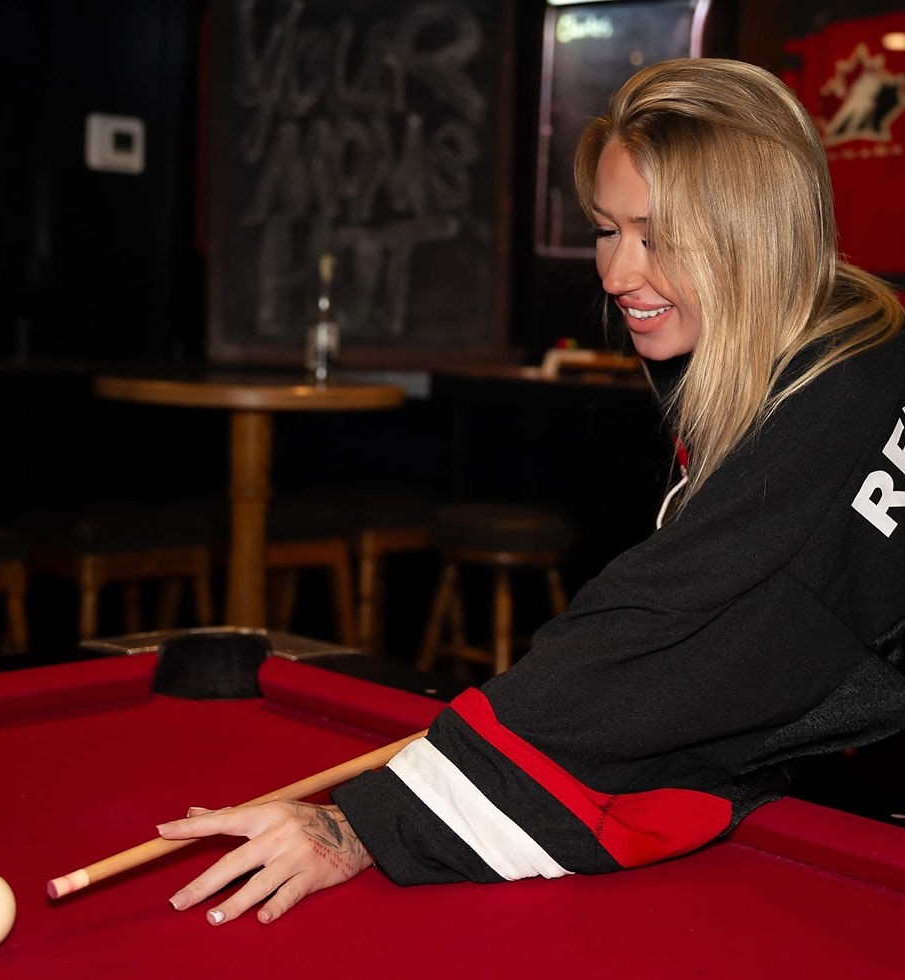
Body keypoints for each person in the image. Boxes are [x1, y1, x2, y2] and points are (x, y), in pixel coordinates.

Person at [157, 58, 905, 925]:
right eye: (606, 230)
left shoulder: (834, 404)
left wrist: (358, 823)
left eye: (657, 237)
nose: (618, 273)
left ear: (754, 235)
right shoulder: (845, 331)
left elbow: (661, 645)